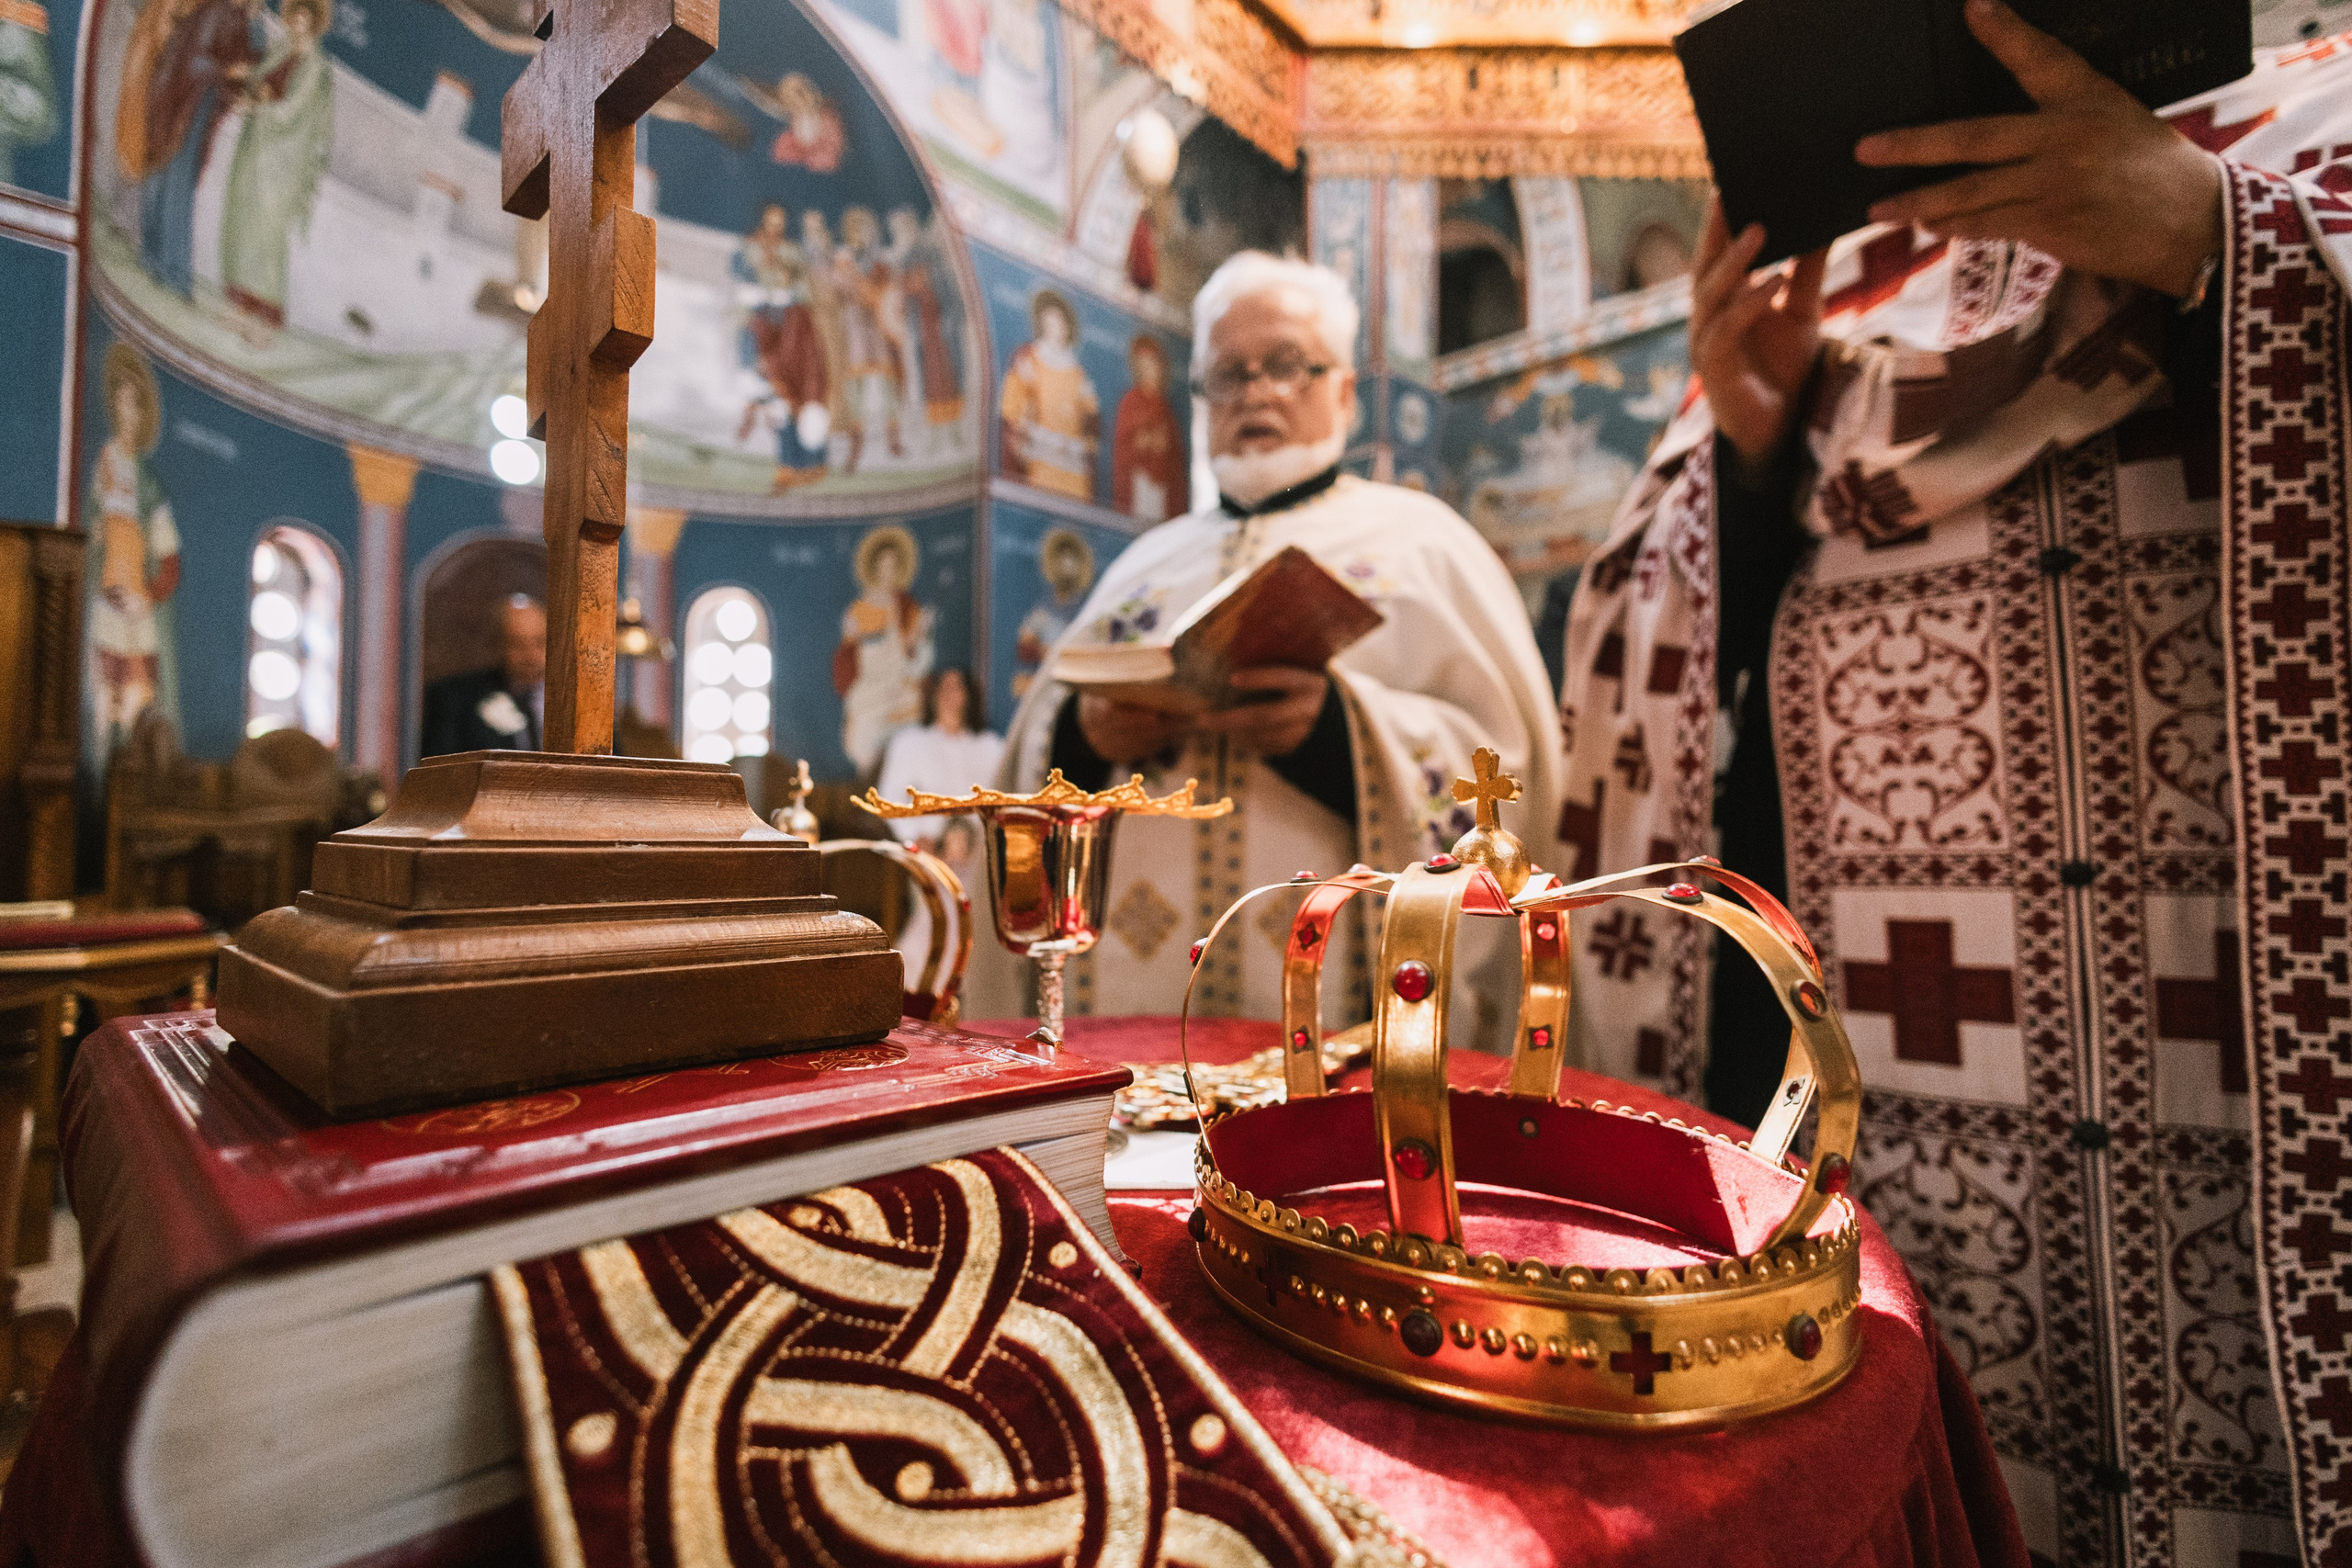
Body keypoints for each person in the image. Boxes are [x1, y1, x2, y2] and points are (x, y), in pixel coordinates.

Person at [1555, 6, 2352, 1560]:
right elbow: (1660, 713)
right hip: (1909, 1125)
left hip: (2250, 1087)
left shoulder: (2319, 122)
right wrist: (1752, 451)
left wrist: (2217, 244)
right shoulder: (1832, 261)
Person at [999, 251, 1561, 1029]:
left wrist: (1338, 733)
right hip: (1138, 1007)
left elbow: (1513, 769)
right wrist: (1084, 737)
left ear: (1344, 394)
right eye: (1229, 374)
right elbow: (1029, 768)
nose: (1257, 390)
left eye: (1288, 365)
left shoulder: (1427, 547)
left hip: (1340, 1017)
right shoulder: (1142, 568)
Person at [84, 344, 180, 767]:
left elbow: (169, 561)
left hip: (138, 614)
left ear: (143, 416)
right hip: (105, 603)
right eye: (122, 404)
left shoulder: (150, 485)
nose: (128, 415)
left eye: (135, 406)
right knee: (102, 707)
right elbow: (86, 533)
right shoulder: (101, 468)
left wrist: (149, 598)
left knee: (138, 709)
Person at [875, 667, 1002, 981]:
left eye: (957, 687)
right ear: (932, 696)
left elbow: (1002, 799)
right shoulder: (911, 744)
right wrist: (922, 836)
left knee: (982, 914)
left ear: (969, 696)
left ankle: (974, 984)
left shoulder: (989, 747)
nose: (950, 695)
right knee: (937, 912)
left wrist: (973, 839)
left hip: (980, 853)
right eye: (943, 687)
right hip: (928, 851)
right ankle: (923, 986)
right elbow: (891, 798)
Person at [218, 0, 333, 338]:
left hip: (284, 162)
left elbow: (296, 112)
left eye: (302, 21)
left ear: (312, 25)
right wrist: (246, 81)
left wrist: (259, 106)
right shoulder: (281, 49)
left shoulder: (316, 67)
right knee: (243, 221)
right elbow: (259, 80)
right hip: (256, 151)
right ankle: (240, 306)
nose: (295, 26)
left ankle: (266, 318)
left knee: (268, 233)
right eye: (292, 18)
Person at [833, 525, 934, 775]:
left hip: (902, 682)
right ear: (874, 568)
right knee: (862, 716)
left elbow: (921, 659)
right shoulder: (859, 610)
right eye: (884, 565)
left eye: (894, 566)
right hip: (871, 684)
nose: (889, 572)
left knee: (913, 707)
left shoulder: (908, 606)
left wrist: (915, 642)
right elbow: (847, 659)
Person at [999, 288, 1097, 500]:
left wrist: (1082, 443)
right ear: (1041, 325)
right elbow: (1012, 408)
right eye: (1049, 322)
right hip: (1040, 461)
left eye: (1060, 321)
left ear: (1068, 327)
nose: (1055, 327)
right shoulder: (1029, 359)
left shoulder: (1078, 374)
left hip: (1072, 465)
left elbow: (1091, 419)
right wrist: (1028, 431)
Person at [420, 595, 546, 757]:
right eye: (517, 644)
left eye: (539, 642)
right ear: (498, 645)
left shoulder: (568, 702)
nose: (531, 655)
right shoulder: (456, 699)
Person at [1110, 333, 1188, 524]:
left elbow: (1175, 460)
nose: (1149, 370)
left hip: (1163, 488)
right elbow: (1125, 446)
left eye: (1153, 364)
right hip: (1139, 482)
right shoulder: (1130, 402)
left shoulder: (1167, 411)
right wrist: (1144, 443)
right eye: (1143, 365)